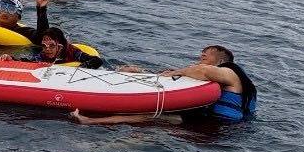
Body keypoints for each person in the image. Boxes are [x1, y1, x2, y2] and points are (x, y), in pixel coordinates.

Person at [72, 44, 257, 125]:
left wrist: (178, 71)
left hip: (220, 126)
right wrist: (141, 73)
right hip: (210, 123)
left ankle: (90, 121)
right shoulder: (217, 77)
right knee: (152, 119)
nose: (199, 61)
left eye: (203, 57)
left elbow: (204, 72)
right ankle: (92, 121)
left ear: (219, 61)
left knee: (149, 117)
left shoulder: (230, 72)